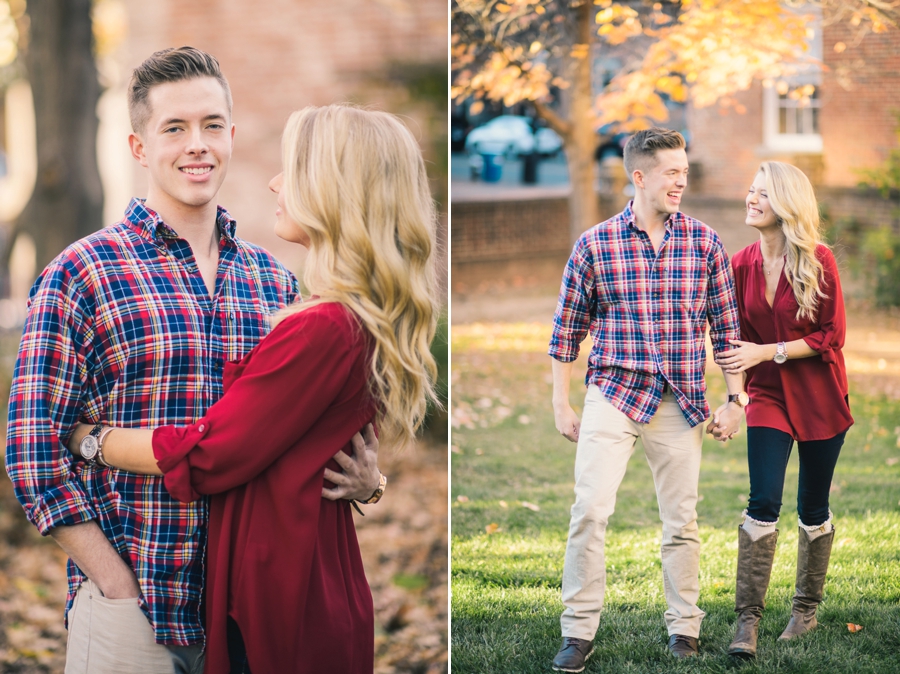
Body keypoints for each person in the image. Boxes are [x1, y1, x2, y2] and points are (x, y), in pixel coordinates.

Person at [5, 48, 382, 674]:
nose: (196, 146)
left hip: (251, 614)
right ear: (137, 146)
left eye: (211, 126)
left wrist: (372, 483)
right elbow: (32, 450)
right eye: (173, 129)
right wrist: (114, 585)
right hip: (136, 605)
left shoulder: (274, 283)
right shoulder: (83, 273)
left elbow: (304, 439)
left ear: (231, 136)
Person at [66, 103, 439, 673]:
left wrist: (90, 439)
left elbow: (214, 451)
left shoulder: (318, 321)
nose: (274, 181)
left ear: (335, 190)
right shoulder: (342, 315)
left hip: (284, 600)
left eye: (293, 168)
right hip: (274, 582)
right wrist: (371, 483)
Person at [548, 127, 749, 672]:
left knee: (681, 521)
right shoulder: (595, 244)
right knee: (589, 510)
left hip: (680, 401)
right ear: (639, 177)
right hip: (612, 394)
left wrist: (736, 400)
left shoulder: (705, 243)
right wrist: (562, 404)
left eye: (685, 172)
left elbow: (726, 334)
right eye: (671, 173)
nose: (682, 182)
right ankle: (577, 632)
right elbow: (566, 332)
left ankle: (684, 628)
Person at [712, 161, 853, 659]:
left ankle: (805, 609)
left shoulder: (819, 262)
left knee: (812, 508)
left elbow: (829, 337)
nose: (751, 199)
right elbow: (730, 342)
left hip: (819, 397)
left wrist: (766, 350)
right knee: (762, 500)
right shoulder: (740, 264)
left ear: (787, 204)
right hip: (768, 397)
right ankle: (746, 622)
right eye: (750, 190)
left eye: (763, 194)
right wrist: (736, 400)